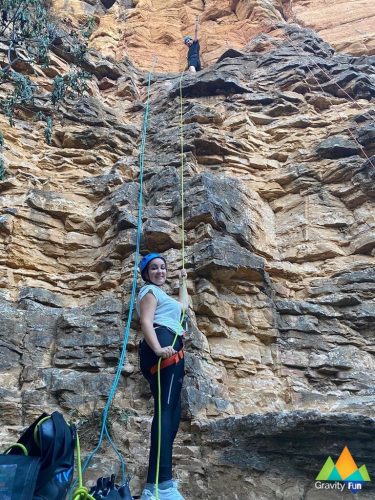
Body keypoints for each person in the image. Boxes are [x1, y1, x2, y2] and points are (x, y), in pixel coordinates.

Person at [137, 252, 189, 500]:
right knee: (165, 411)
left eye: (163, 268)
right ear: (146, 273)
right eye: (154, 268)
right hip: (162, 349)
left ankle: (159, 484)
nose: (160, 271)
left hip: (172, 349)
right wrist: (158, 348)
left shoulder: (165, 295)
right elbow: (146, 321)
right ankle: (160, 486)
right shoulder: (149, 292)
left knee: (173, 414)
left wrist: (183, 283)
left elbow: (184, 307)